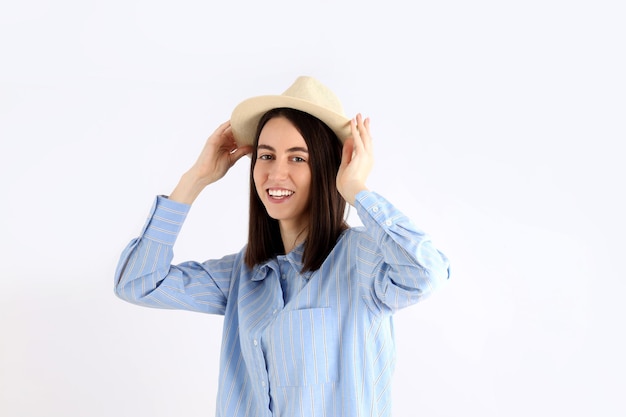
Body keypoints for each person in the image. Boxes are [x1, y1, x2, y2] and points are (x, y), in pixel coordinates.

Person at [114, 76, 450, 417]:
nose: (276, 173)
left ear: (327, 168)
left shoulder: (362, 260)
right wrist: (195, 178)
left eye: (298, 158)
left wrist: (355, 189)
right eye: (266, 155)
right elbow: (137, 282)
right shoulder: (242, 275)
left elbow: (426, 273)